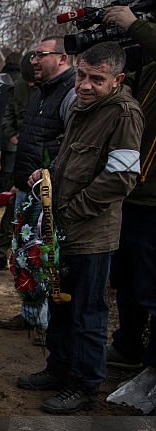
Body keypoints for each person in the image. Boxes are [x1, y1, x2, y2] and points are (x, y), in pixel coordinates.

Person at [16, 42, 142, 414]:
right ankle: (59, 368)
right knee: (61, 305)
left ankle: (85, 384)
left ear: (117, 79)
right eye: (82, 76)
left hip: (92, 234)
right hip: (63, 229)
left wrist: (71, 210)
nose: (84, 85)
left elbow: (121, 177)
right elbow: (71, 157)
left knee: (87, 312)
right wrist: (49, 175)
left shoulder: (124, 114)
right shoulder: (82, 107)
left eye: (96, 80)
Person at [0, 35, 77, 337]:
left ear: (62, 58)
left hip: (49, 194)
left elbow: (70, 145)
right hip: (28, 190)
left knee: (45, 258)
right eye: (33, 55)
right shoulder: (41, 92)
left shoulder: (70, 94)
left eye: (40, 55)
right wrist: (20, 184)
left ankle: (47, 322)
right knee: (24, 256)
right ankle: (30, 312)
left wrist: (49, 175)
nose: (33, 61)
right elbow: (32, 140)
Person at [105, 7, 156, 374]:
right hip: (132, 194)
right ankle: (128, 345)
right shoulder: (150, 71)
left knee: (149, 284)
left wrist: (134, 25)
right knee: (126, 279)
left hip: (153, 200)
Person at [0, 52, 35, 277]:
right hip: (22, 156)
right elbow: (9, 114)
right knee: (12, 213)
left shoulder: (60, 91)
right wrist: (12, 134)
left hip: (41, 164)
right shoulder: (19, 86)